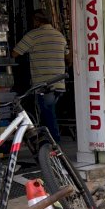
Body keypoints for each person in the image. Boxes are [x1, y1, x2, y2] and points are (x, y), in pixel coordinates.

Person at [12, 13, 68, 141]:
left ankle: (54, 143)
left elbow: (15, 53)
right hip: (59, 83)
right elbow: (67, 55)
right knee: (49, 112)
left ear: (37, 20)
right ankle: (49, 141)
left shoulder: (33, 35)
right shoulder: (59, 35)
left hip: (44, 83)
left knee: (48, 114)